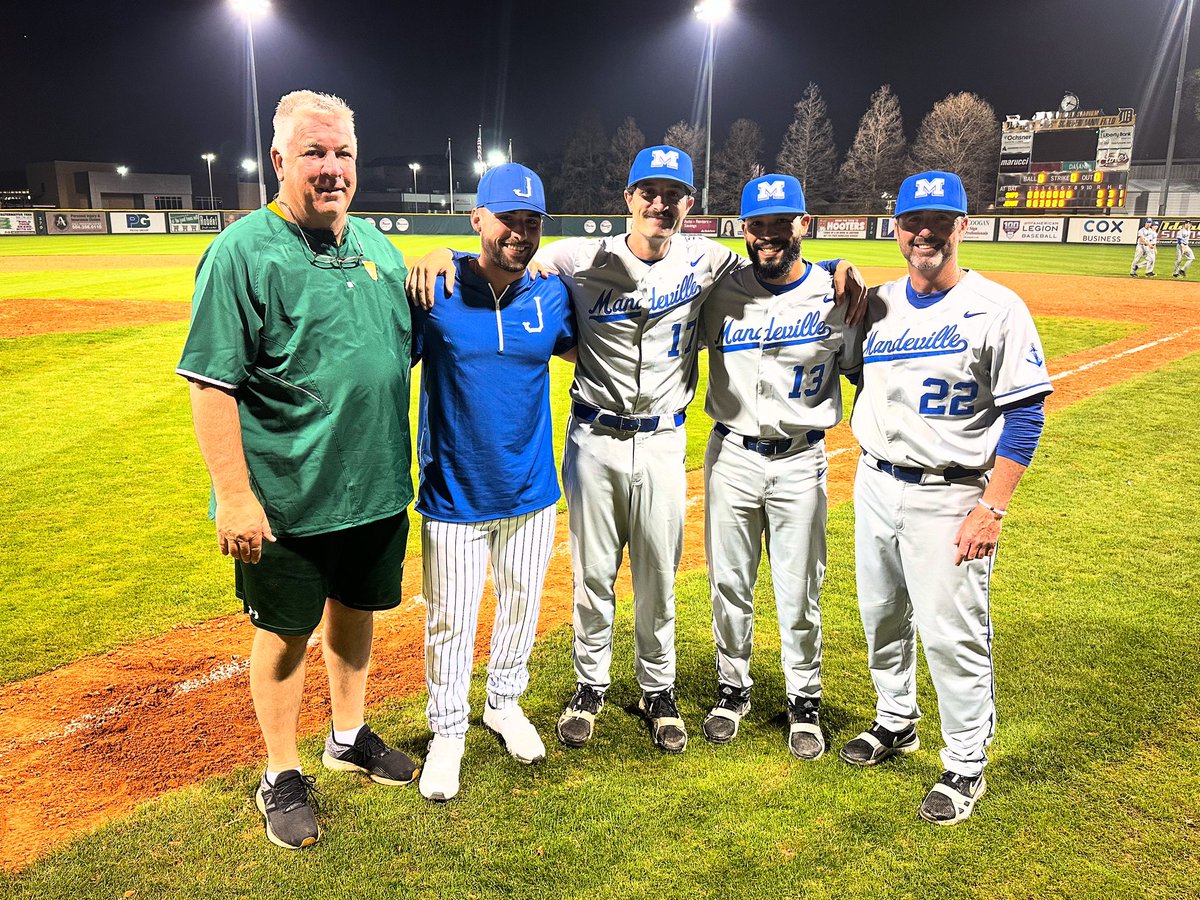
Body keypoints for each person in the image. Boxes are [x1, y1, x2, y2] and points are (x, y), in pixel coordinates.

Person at [407, 145, 864, 755]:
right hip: (592, 438)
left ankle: (659, 688)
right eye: (648, 191)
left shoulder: (711, 262)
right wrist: (447, 253)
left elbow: (778, 266)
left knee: (658, 572)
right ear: (628, 199)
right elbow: (502, 252)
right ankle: (589, 685)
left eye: (672, 193)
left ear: (688, 204)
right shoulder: (573, 257)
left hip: (663, 440)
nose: (660, 203)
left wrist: (837, 262)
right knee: (592, 574)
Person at [177, 90, 418, 850]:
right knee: (284, 635)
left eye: (343, 153)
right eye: (314, 153)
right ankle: (279, 772)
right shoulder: (243, 251)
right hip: (287, 497)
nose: (332, 168)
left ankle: (348, 736)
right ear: (279, 160)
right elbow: (212, 384)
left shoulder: (379, 247)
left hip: (376, 486)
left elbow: (394, 354)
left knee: (357, 614)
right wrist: (235, 496)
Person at [843, 171, 1052, 825]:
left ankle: (965, 763)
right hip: (875, 482)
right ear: (896, 229)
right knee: (881, 619)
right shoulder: (876, 304)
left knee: (951, 636)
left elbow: (1026, 415)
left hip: (952, 496)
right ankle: (895, 722)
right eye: (912, 222)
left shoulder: (998, 308)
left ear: (964, 226)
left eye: (940, 220)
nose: (924, 233)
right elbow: (856, 373)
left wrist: (992, 506)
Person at [411, 164, 576, 801]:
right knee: (451, 619)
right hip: (454, 494)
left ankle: (503, 703)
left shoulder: (551, 293)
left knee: (521, 607)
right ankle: (447, 730)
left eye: (531, 221)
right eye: (508, 219)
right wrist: (435, 253)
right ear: (477, 219)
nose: (520, 232)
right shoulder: (436, 289)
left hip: (532, 490)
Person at [697, 175, 862, 760]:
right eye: (757, 225)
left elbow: (864, 370)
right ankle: (734, 687)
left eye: (780, 224)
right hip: (731, 456)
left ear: (803, 226)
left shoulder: (838, 294)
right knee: (728, 582)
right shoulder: (718, 292)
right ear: (744, 230)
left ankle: (804, 697)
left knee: (800, 590)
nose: (768, 235)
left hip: (800, 460)